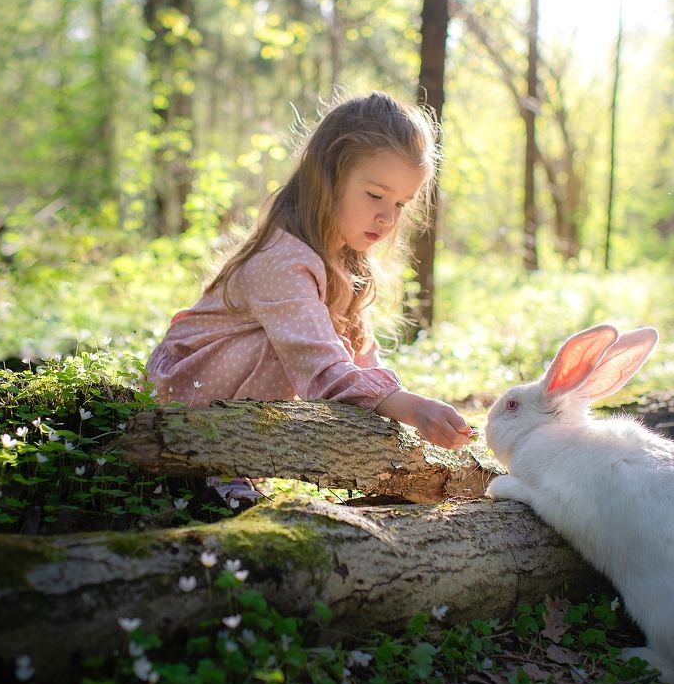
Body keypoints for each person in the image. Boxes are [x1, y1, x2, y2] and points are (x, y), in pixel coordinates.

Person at [146, 92, 475, 498]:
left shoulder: (346, 258)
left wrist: (408, 404)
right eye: (375, 194)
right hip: (183, 395)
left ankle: (233, 462)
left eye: (401, 203)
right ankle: (212, 468)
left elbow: (361, 355)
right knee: (295, 345)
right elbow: (321, 367)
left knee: (339, 355)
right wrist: (404, 406)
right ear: (328, 178)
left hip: (228, 408)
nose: (388, 217)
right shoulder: (282, 260)